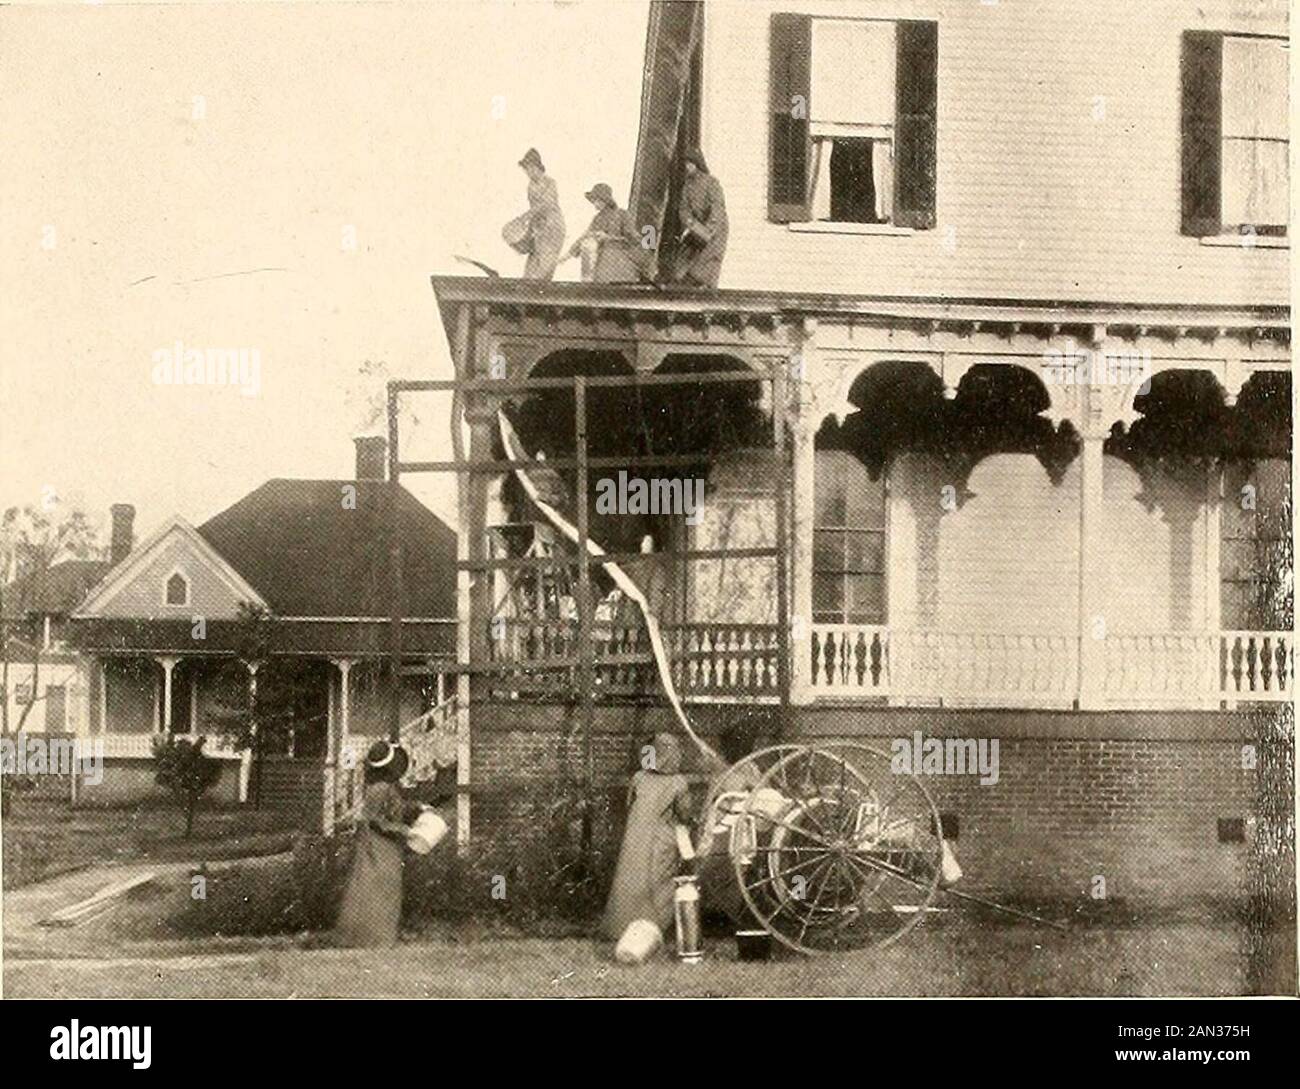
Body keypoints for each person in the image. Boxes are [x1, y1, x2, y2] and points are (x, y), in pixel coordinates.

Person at [600, 731, 694, 941]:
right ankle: (655, 928)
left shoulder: (639, 777)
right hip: (661, 838)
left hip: (635, 835)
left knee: (631, 877)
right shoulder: (678, 782)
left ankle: (621, 926)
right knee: (659, 881)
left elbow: (629, 805)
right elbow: (685, 814)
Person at [335, 740, 412, 947]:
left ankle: (373, 938)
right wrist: (402, 830)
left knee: (374, 887)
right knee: (381, 888)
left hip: (379, 842)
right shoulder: (380, 789)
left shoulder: (383, 787)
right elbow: (375, 820)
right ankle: (376, 938)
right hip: (380, 845)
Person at [566, 182, 648, 283]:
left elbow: (635, 240)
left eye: (597, 200)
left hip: (621, 262)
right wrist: (567, 255)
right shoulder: (597, 219)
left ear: (605, 200)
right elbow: (585, 236)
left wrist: (608, 238)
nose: (594, 203)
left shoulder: (622, 214)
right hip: (602, 264)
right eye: (593, 200)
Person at [671, 148, 728, 288]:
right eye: (686, 163)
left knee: (706, 265)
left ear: (698, 164)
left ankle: (706, 293)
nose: (687, 166)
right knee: (682, 263)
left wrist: (707, 231)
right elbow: (684, 210)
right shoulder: (687, 186)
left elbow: (718, 209)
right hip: (697, 228)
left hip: (715, 230)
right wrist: (690, 224)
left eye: (691, 163)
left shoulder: (712, 183)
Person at [512, 148, 566, 281]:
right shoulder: (530, 186)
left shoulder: (550, 182)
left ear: (537, 167)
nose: (528, 173)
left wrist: (525, 217)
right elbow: (534, 209)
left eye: (530, 168)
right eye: (526, 170)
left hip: (553, 227)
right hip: (539, 227)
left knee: (544, 266)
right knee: (531, 269)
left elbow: (546, 204)